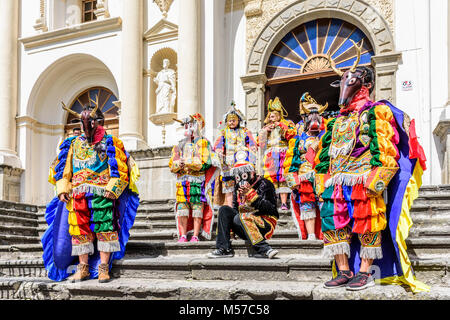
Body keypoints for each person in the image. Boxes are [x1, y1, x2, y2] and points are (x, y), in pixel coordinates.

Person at [314, 42, 429, 292]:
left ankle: (364, 271)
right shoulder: (334, 121)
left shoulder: (376, 112)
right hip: (336, 180)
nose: (345, 89)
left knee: (368, 222)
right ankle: (344, 270)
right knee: (333, 222)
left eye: (352, 81)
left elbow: (386, 147)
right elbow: (323, 155)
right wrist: (321, 179)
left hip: (364, 178)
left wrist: (378, 179)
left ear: (364, 84)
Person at [43, 97, 140, 283]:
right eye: (84, 121)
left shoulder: (111, 142)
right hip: (77, 194)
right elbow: (65, 170)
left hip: (103, 192)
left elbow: (120, 168)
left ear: (99, 122)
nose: (87, 125)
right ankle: (83, 268)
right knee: (80, 231)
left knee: (105, 228)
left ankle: (103, 268)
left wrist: (114, 188)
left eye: (91, 121)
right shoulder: (72, 144)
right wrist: (63, 188)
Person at [207, 160, 279, 259]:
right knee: (224, 210)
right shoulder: (237, 188)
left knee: (240, 217)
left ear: (252, 173)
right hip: (243, 223)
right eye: (238, 175)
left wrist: (250, 194)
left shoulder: (265, 184)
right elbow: (236, 210)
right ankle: (224, 248)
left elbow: (271, 210)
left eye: (244, 174)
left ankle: (265, 249)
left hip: (264, 224)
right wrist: (231, 231)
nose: (240, 178)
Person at [169, 113, 220, 242]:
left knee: (197, 208)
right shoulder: (178, 145)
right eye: (186, 125)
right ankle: (183, 235)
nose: (187, 127)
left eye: (190, 125)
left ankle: (196, 235)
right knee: (182, 209)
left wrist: (189, 162)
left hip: (197, 182)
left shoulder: (203, 143)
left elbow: (206, 162)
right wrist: (177, 164)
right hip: (182, 182)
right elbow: (171, 164)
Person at [284, 93, 328, 240]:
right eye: (310, 116)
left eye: (317, 116)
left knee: (324, 204)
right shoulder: (297, 139)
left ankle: (326, 234)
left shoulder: (326, 136)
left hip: (323, 175)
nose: (314, 119)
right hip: (304, 176)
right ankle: (310, 235)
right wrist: (293, 181)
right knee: (307, 205)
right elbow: (289, 162)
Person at [213, 102, 258, 207]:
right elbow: (218, 145)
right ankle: (229, 206)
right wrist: (219, 151)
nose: (231, 122)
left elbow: (252, 143)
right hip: (228, 163)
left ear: (238, 120)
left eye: (234, 120)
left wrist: (252, 149)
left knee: (243, 183)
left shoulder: (245, 131)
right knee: (228, 186)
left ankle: (243, 204)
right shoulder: (224, 132)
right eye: (229, 120)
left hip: (242, 162)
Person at [258, 97, 296, 211]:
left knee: (283, 179)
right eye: (270, 116)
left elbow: (292, 135)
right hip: (270, 156)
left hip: (282, 154)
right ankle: (273, 202)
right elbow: (260, 142)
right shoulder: (266, 127)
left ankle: (284, 203)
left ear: (279, 115)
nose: (270, 118)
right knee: (271, 179)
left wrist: (280, 126)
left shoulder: (286, 123)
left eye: (273, 116)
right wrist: (265, 131)